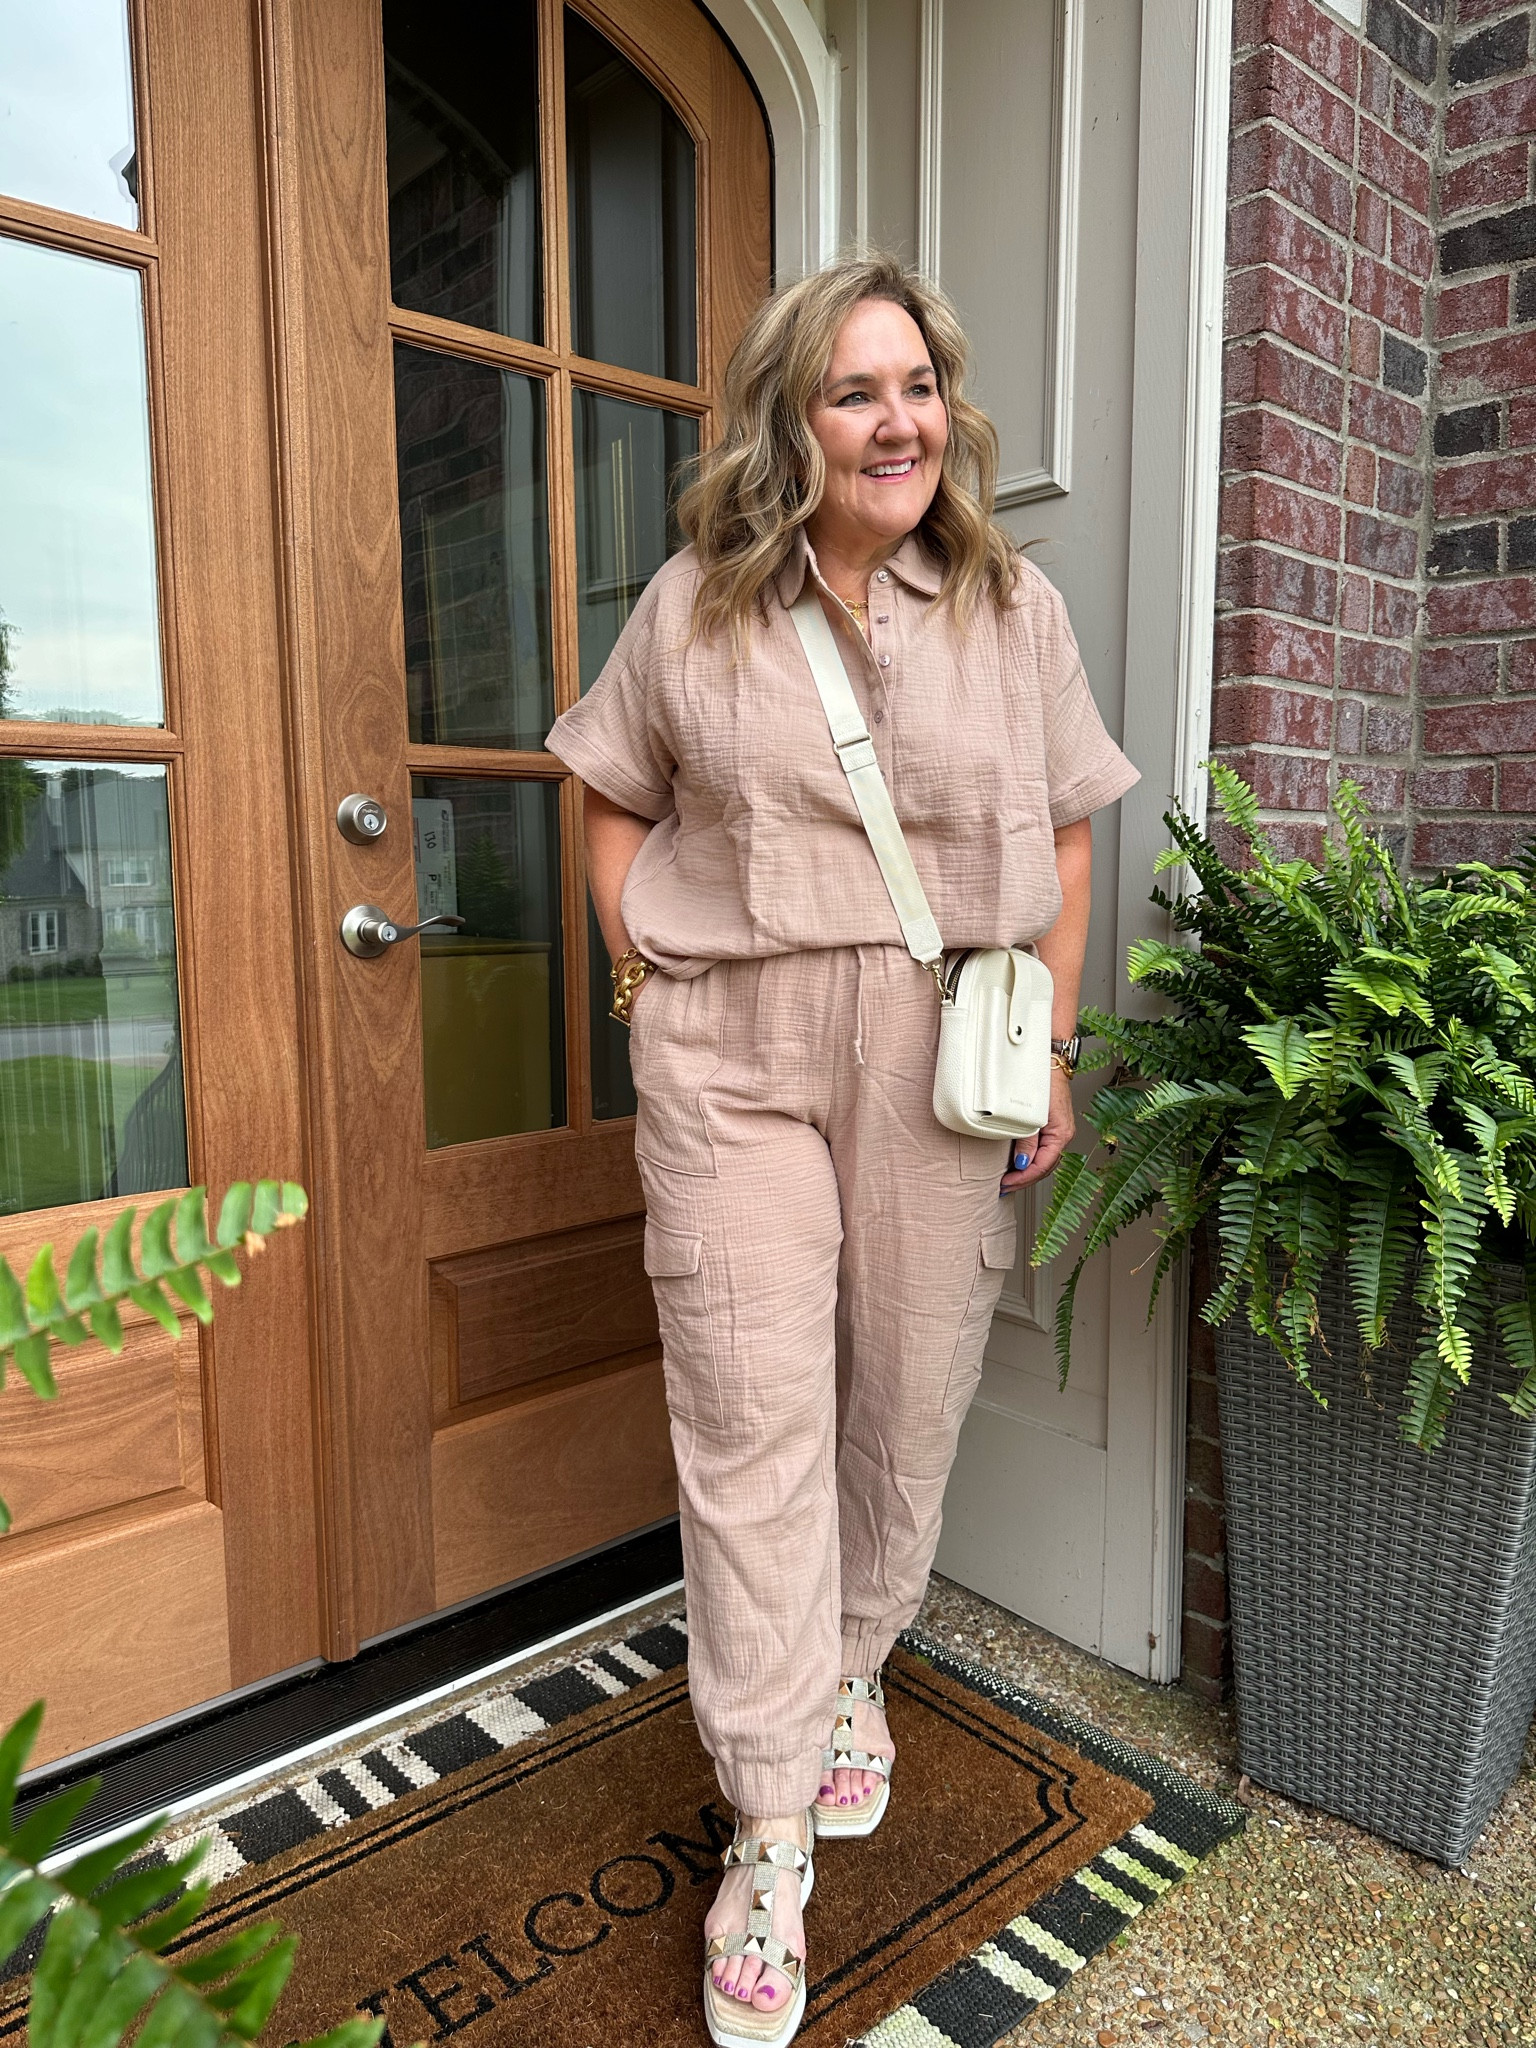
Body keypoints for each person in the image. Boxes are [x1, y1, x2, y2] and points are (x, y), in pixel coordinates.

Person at [546, 253, 1137, 2048]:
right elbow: (610, 791)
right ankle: (771, 1822)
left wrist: (1039, 1049)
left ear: (945, 411)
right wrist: (646, 983)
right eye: (853, 390)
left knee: (909, 1392)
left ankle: (857, 1664)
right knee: (749, 1419)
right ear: (793, 420)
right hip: (733, 1053)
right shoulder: (697, 605)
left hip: (935, 1041)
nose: (895, 420)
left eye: (916, 385)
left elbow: (1064, 836)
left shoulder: (1012, 611)